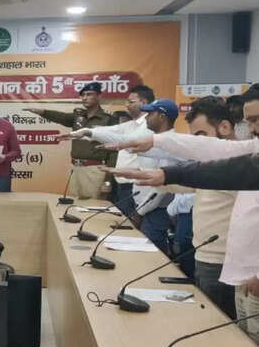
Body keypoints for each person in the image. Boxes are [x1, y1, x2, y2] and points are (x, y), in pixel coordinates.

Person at [104, 91, 259, 325]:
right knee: (237, 336)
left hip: (236, 267)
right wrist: (156, 155)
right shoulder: (250, 150)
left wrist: (164, 169)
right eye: (249, 121)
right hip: (231, 267)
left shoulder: (242, 163)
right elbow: (212, 153)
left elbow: (221, 163)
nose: (252, 128)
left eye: (256, 120)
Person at [62, 85, 155, 214]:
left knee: (130, 221)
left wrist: (90, 134)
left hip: (135, 184)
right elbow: (110, 131)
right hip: (122, 183)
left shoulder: (149, 125)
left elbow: (127, 140)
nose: (127, 105)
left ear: (144, 103)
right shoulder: (132, 124)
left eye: (131, 102)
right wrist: (86, 132)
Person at [25, 81, 116, 199]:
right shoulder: (78, 116)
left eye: (89, 94)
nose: (85, 98)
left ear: (99, 96)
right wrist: (43, 112)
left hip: (96, 171)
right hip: (76, 169)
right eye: (83, 95)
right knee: (75, 205)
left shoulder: (108, 119)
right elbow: (61, 117)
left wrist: (108, 181)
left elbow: (114, 152)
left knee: (95, 205)